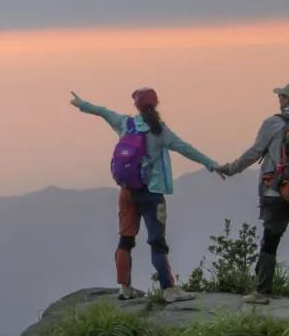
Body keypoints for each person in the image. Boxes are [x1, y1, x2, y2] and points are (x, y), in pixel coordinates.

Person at [71, 88, 221, 301]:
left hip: (126, 192)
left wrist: (83, 104)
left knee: (125, 239)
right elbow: (185, 148)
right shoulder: (159, 130)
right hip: (152, 193)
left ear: (136, 106)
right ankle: (168, 289)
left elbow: (103, 112)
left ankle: (124, 288)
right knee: (157, 241)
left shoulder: (126, 124)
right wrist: (211, 164)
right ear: (156, 104)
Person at [215, 82, 289, 304]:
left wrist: (230, 169)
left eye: (281, 95)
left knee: (270, 240)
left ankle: (262, 292)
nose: (279, 98)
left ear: (286, 100)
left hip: (275, 192)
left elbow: (254, 153)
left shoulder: (273, 123)